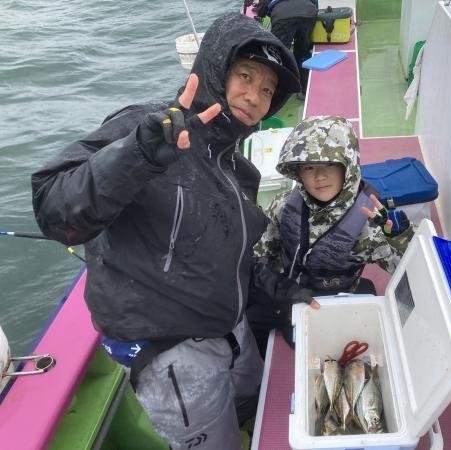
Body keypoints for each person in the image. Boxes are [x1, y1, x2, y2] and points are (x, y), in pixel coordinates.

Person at [31, 12, 307, 450]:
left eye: (268, 90)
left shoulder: (239, 167)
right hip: (173, 357)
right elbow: (54, 208)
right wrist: (137, 155)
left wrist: (280, 294)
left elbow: (233, 256)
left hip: (232, 332)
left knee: (255, 406)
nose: (254, 97)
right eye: (245, 76)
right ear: (215, 68)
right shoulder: (148, 126)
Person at [248, 115, 415, 355]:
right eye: (309, 167)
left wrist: (401, 237)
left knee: (336, 351)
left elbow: (411, 274)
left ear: (348, 166)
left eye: (329, 164)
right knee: (248, 324)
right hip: (284, 293)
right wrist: (279, 290)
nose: (319, 176)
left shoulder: (369, 223)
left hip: (332, 303)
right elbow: (255, 258)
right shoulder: (283, 205)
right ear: (298, 172)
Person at [254, 0, 317, 97]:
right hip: (309, 13)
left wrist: (259, 9)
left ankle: (276, 92)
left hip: (283, 17)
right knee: (303, 53)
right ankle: (304, 90)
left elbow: (261, 11)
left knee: (277, 54)